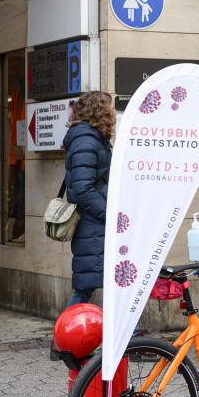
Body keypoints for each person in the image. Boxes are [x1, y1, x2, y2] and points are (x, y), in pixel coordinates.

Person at [63, 92, 114, 308]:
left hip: (95, 224)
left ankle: (130, 334)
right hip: (94, 225)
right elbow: (83, 189)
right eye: (110, 107)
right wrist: (110, 215)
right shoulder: (86, 140)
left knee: (99, 283)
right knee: (85, 288)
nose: (114, 112)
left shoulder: (94, 138)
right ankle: (63, 336)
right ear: (100, 110)